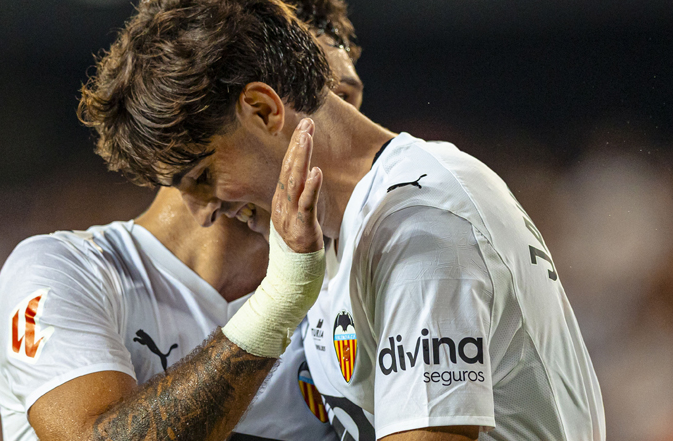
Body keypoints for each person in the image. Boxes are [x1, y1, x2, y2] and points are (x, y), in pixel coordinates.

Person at [77, 0, 607, 440]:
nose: (203, 210)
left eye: (201, 176)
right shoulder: (338, 233)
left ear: (263, 110)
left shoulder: (419, 220)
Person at [0, 1, 363, 440]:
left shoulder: (351, 276)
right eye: (324, 104)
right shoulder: (66, 272)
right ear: (261, 109)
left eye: (348, 101)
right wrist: (277, 306)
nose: (348, 128)